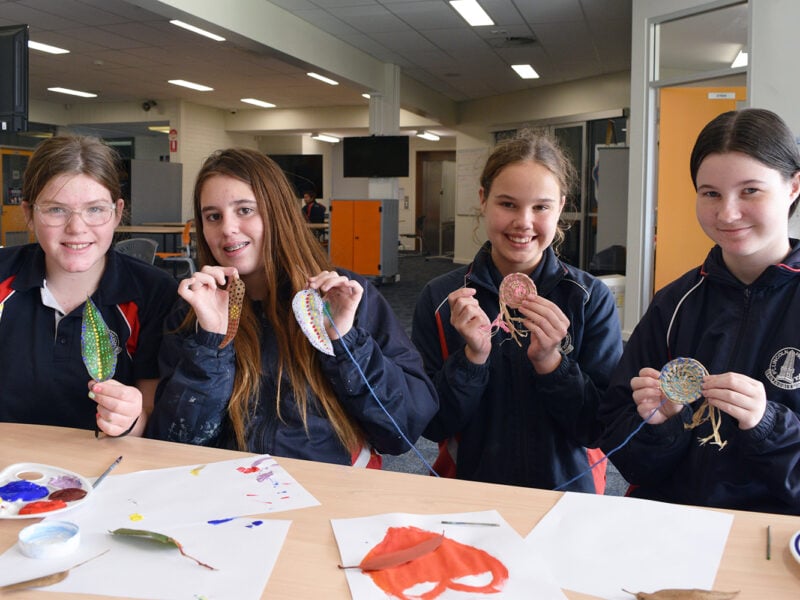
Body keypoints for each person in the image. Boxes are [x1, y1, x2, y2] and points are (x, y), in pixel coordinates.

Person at [147, 148, 438, 467]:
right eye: (213, 216)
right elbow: (175, 441)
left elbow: (403, 430)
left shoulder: (343, 297)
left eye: (245, 210)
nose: (227, 228)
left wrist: (344, 342)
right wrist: (211, 343)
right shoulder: (193, 310)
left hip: (325, 485)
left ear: (279, 213)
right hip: (227, 486)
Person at [598, 108, 800, 515]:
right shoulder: (673, 304)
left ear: (794, 186)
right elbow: (625, 453)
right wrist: (660, 424)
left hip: (773, 534)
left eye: (750, 191)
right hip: (674, 524)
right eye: (710, 194)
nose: (727, 213)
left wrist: (767, 423)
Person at [411, 130, 623, 492]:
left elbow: (597, 427)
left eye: (541, 207)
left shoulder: (589, 299)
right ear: (483, 199)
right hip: (468, 490)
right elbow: (432, 424)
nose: (524, 221)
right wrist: (472, 360)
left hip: (566, 495)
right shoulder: (442, 298)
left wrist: (552, 363)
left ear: (560, 207)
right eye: (508, 204)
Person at [0, 135, 178, 436]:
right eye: (56, 210)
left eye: (95, 209)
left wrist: (129, 419)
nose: (77, 228)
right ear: (29, 214)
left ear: (117, 212)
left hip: (106, 460)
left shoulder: (153, 292)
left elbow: (149, 413)